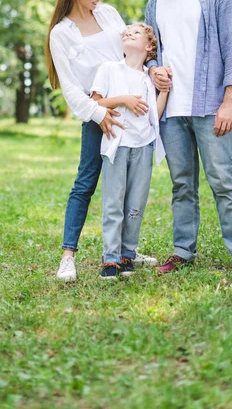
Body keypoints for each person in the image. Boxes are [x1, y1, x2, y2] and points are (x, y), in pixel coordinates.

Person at [141, 0, 232, 282]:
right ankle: (182, 251)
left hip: (210, 107)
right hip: (171, 111)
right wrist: (152, 70)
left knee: (223, 180)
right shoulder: (155, 1)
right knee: (182, 184)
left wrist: (230, 101)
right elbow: (149, 51)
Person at [45, 0, 157, 282]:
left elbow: (134, 51)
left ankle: (125, 252)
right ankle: (68, 256)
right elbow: (71, 90)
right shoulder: (61, 34)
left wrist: (151, 71)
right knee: (86, 182)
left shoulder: (107, 15)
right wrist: (100, 115)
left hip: (131, 117)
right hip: (99, 115)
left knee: (129, 187)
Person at [91, 23, 169, 279]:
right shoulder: (110, 69)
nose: (128, 34)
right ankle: (110, 257)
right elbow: (95, 102)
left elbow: (153, 117)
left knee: (135, 204)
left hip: (143, 146)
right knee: (114, 203)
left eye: (135, 33)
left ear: (148, 47)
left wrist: (164, 92)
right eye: (126, 32)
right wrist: (124, 99)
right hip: (117, 145)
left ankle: (127, 253)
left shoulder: (149, 77)